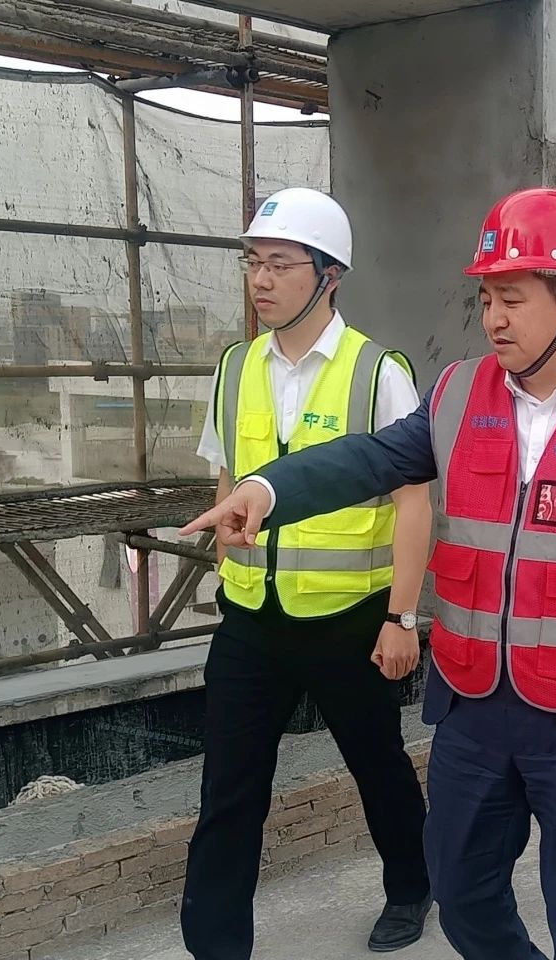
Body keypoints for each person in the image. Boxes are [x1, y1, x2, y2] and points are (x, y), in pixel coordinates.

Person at [181, 187, 556, 960]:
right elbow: (369, 458)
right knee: (463, 897)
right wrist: (267, 490)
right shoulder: (458, 393)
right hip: (474, 711)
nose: (494, 318)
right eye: (485, 299)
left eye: (513, 298)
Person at [181, 187, 433, 959]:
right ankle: (216, 945)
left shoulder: (376, 372)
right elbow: (227, 476)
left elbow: (415, 503)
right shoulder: (234, 367)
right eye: (253, 262)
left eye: (280, 263)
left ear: (329, 275)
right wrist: (226, 560)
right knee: (228, 790)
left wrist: (401, 618)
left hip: (348, 621)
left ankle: (411, 886)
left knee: (378, 767)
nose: (260, 279)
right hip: (251, 620)